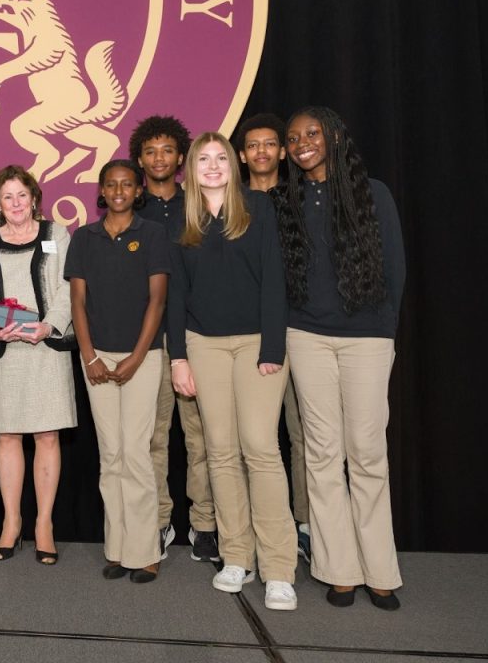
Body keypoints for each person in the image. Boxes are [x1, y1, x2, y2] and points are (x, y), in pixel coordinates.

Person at [274, 106, 406, 610]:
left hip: (367, 340)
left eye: (311, 133)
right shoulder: (285, 200)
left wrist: (385, 332)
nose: (302, 142)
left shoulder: (373, 193)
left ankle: (380, 569)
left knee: (367, 452)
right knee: (323, 454)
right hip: (306, 338)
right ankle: (339, 570)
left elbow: (395, 268)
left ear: (333, 137)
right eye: (293, 138)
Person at [167, 132, 297, 611]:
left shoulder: (259, 209)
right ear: (191, 170)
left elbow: (274, 283)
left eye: (221, 158)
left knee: (261, 449)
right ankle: (237, 557)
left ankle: (279, 568)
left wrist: (273, 347)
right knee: (220, 453)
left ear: (234, 166)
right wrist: (178, 357)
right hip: (204, 346)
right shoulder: (183, 221)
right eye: (205, 160)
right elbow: (176, 294)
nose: (214, 166)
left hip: (255, 346)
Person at [65, 159, 170, 584]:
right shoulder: (84, 238)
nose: (120, 190)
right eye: (112, 184)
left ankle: (145, 552)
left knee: (135, 452)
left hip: (142, 357)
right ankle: (117, 547)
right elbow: (77, 302)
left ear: (138, 190)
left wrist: (137, 356)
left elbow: (157, 301)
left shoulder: (154, 235)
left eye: (128, 184)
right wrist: (90, 356)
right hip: (96, 357)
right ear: (102, 192)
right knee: (110, 454)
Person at [0, 166, 76, 565]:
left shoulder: (56, 234)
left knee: (47, 435)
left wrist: (48, 325)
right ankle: (11, 523)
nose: (15, 204)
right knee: (9, 436)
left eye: (21, 195)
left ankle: (43, 525)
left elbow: (69, 287)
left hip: (46, 347)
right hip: (7, 350)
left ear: (34, 198)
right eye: (6, 197)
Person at [130, 115, 219, 564]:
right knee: (153, 439)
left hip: (199, 337)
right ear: (139, 160)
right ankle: (160, 520)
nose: (159, 158)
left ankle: (204, 525)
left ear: (180, 157)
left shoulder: (201, 205)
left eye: (167, 150)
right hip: (149, 343)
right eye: (150, 151)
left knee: (203, 438)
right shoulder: (131, 209)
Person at [236, 112, 311, 561]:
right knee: (251, 439)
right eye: (252, 145)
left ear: (282, 152)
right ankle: (246, 532)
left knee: (303, 432)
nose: (261, 152)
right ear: (241, 155)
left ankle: (305, 524)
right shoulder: (233, 203)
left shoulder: (303, 198)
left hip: (301, 327)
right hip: (247, 334)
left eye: (270, 144)